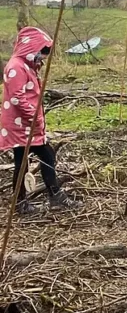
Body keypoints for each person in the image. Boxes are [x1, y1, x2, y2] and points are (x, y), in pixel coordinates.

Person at [1, 27, 79, 214]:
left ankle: (38, 199)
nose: (43, 56)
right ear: (30, 48)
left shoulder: (26, 66)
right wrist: (34, 117)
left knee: (39, 158)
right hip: (22, 126)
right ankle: (34, 200)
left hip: (29, 125)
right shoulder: (16, 67)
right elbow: (17, 98)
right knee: (39, 158)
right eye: (42, 51)